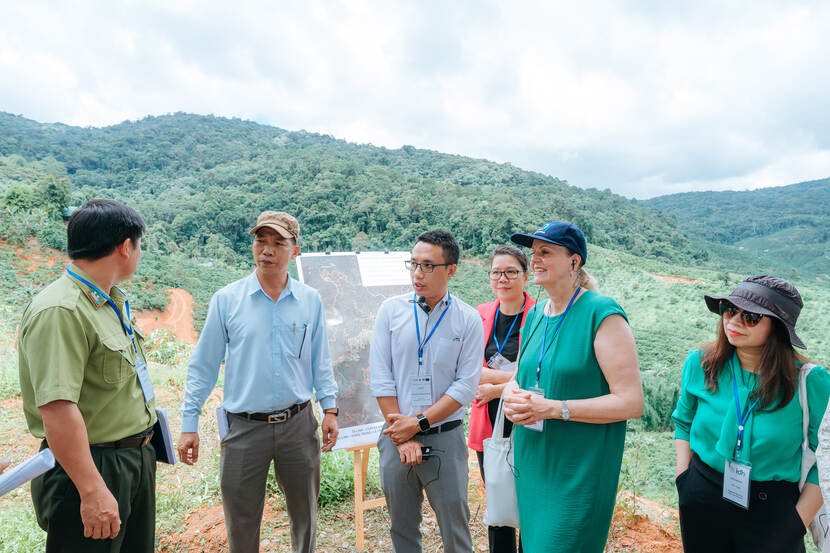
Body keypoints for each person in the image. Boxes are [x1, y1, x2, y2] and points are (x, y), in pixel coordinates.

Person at [178, 210, 339, 553]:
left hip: (298, 424)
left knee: (305, 516)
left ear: (294, 251)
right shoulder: (227, 300)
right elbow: (203, 366)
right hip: (243, 429)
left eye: (278, 243)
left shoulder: (309, 300)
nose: (266, 250)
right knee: (241, 520)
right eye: (260, 241)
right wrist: (189, 423)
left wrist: (330, 408)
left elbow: (319, 359)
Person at [18, 199, 157, 552]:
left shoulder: (108, 301)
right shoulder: (61, 310)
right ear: (126, 247)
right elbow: (57, 409)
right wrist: (91, 488)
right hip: (92, 468)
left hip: (130, 461)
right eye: (139, 244)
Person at [502, 221, 643, 553]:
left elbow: (631, 402)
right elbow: (520, 377)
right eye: (533, 253)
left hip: (578, 469)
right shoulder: (535, 314)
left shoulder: (602, 313)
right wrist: (509, 393)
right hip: (535, 463)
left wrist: (553, 408)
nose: (534, 260)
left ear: (574, 261)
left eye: (546, 252)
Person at [672, 275, 830, 553]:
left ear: (778, 328)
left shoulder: (810, 382)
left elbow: (824, 461)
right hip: (703, 496)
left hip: (773, 510)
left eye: (751, 317)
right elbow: (683, 422)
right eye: (729, 309)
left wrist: (795, 523)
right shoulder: (701, 363)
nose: (734, 321)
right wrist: (683, 480)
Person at [370, 229, 484, 553]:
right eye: (413, 264)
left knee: (456, 531)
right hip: (395, 437)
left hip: (445, 438)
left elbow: (465, 385)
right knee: (402, 530)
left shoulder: (468, 320)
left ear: (451, 270)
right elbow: (381, 377)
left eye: (428, 266)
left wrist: (418, 424)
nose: (417, 274)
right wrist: (403, 434)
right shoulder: (390, 312)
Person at [467, 245, 535, 553]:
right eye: (496, 272)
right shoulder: (480, 314)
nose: (503, 278)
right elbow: (466, 369)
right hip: (488, 422)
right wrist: (512, 377)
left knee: (530, 501)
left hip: (527, 420)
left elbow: (540, 375)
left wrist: (495, 386)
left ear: (525, 275)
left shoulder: (540, 315)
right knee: (498, 500)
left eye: (511, 271)